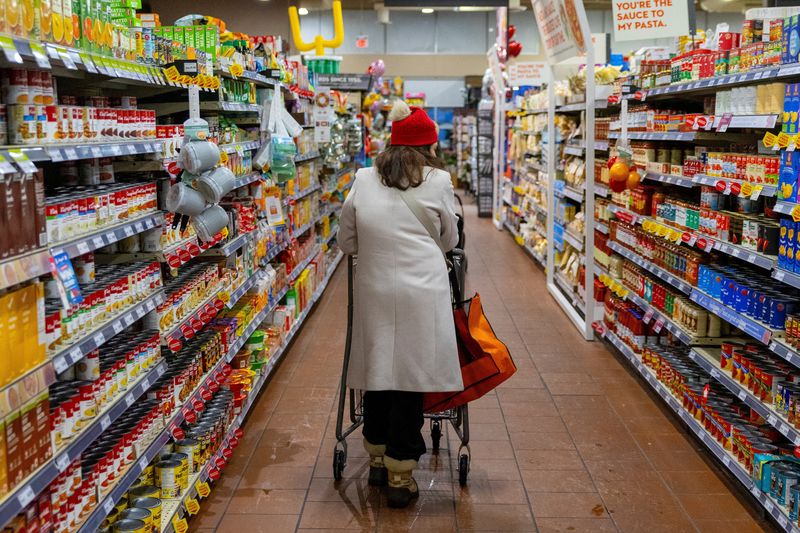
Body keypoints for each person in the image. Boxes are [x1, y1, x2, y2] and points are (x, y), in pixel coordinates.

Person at [337, 100, 463, 508]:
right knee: (409, 376)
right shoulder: (439, 181)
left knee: (378, 367)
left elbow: (346, 240)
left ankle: (375, 453)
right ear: (429, 146)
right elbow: (449, 240)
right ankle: (400, 472)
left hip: (374, 287)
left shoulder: (362, 178)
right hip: (422, 293)